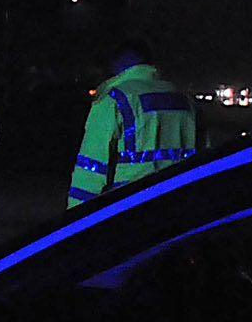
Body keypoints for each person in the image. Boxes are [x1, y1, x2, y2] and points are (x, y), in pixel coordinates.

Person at [69, 40, 199, 207]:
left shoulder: (114, 99)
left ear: (118, 65)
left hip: (129, 209)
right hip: (179, 204)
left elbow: (90, 167)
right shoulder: (185, 100)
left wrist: (75, 219)